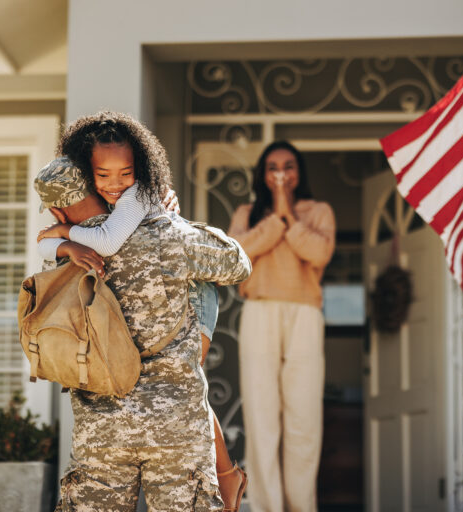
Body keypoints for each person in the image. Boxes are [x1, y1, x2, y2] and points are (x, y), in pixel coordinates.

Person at [33, 117, 251, 511]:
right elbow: (238, 264)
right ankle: (228, 474)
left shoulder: (58, 259)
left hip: (100, 434)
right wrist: (173, 216)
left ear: (53, 208)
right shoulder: (167, 232)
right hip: (176, 428)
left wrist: (64, 236)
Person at [228, 141, 335, 512]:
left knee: (304, 419)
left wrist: (287, 213)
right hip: (259, 312)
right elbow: (235, 255)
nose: (280, 173)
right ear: (262, 173)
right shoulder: (247, 212)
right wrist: (275, 219)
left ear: (298, 172)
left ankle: (301, 506)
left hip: (304, 314)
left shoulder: (318, 211)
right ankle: (267, 507)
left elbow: (318, 253)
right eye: (273, 167)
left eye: (288, 166)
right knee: (261, 416)